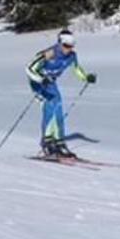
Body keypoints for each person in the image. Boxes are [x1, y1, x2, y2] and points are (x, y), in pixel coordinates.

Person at [25, 29, 96, 159]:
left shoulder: (72, 56)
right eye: (66, 45)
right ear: (59, 43)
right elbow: (29, 68)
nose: (69, 49)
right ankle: (47, 143)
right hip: (38, 83)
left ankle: (59, 143)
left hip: (51, 84)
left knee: (58, 109)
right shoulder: (49, 54)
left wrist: (86, 78)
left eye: (71, 45)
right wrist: (41, 79)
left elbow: (77, 69)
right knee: (49, 107)